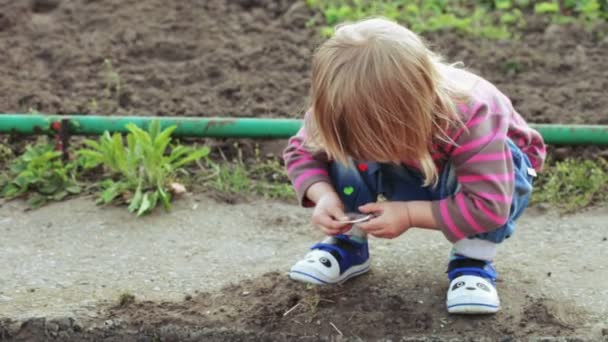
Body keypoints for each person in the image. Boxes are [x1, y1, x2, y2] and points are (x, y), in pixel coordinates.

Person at [282, 18, 546, 314]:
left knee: (500, 168)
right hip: (417, 160)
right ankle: (348, 242)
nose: (367, 151)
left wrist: (409, 214)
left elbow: (490, 203)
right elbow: (301, 152)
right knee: (337, 148)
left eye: (376, 141)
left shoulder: (468, 115)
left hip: (493, 177)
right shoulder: (344, 106)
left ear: (413, 111)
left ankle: (472, 262)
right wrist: (325, 196)